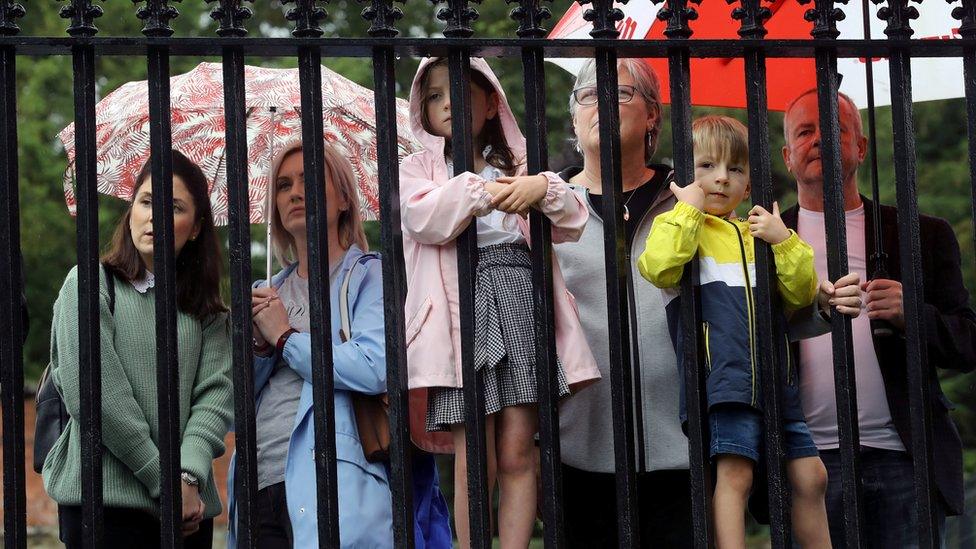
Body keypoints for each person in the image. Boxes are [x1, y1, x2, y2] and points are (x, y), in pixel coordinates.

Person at [399, 56, 601, 547]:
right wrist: (484, 191)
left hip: (520, 300)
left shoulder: (520, 164)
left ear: (491, 103)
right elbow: (424, 218)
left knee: (518, 451)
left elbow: (574, 219)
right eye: (434, 96)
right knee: (475, 456)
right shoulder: (418, 167)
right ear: (421, 111)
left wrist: (543, 187)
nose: (446, 103)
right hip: (458, 314)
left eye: (459, 92)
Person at [638, 115, 853, 548]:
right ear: (683, 178)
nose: (721, 179)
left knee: (812, 477)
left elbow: (799, 294)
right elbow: (657, 267)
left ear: (750, 185)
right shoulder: (680, 226)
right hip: (725, 381)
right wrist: (687, 210)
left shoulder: (760, 234)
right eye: (707, 167)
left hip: (776, 382)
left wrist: (783, 240)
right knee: (735, 474)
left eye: (735, 169)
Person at [226, 139, 451, 548]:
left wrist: (285, 337)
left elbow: (372, 365)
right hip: (259, 482)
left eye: (309, 179)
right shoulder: (267, 293)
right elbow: (233, 403)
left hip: (333, 481)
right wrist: (259, 348)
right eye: (282, 185)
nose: (294, 192)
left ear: (344, 199)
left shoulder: (369, 276)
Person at [780, 88, 976, 548]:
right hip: (805, 462)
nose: (820, 141)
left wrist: (915, 315)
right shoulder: (765, 240)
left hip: (903, 459)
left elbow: (969, 343)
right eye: (806, 132)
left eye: (835, 129)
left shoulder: (920, 233)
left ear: (861, 148)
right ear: (788, 156)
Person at [43, 150, 233, 548]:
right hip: (105, 507)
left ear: (195, 228)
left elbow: (215, 399)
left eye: (175, 207)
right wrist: (162, 478)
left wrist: (187, 477)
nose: (155, 216)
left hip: (187, 510)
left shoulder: (209, 311)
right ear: (132, 209)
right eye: (147, 202)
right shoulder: (89, 284)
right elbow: (95, 393)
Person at [554, 57, 694, 547]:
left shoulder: (689, 200)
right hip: (576, 451)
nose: (603, 105)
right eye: (590, 96)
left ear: (653, 114)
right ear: (574, 117)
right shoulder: (545, 208)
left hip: (682, 450)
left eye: (622, 93)